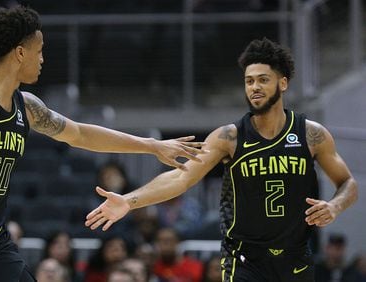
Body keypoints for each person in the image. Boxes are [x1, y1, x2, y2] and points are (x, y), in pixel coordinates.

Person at [0, 5, 205, 282]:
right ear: (20, 52)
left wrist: (152, 145)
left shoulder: (28, 106)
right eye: (39, 50)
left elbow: (80, 134)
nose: (42, 59)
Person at [85, 38, 358, 282]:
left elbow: (348, 183)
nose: (255, 87)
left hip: (295, 258)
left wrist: (334, 206)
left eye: (263, 79)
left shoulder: (311, 134)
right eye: (249, 81)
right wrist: (130, 201)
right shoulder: (229, 136)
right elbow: (181, 176)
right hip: (244, 260)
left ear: (283, 83)